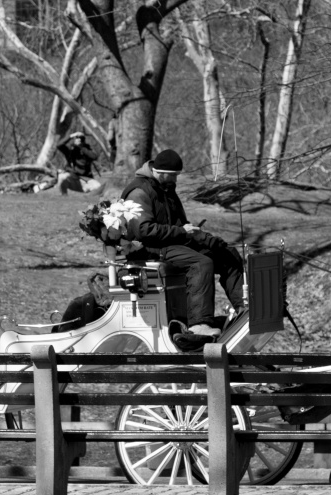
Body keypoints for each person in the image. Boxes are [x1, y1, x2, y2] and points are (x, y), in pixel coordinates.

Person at [117, 148, 243, 341]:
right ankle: (199, 324)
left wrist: (207, 239)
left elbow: (180, 225)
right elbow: (144, 231)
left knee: (227, 254)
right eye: (173, 175)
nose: (176, 180)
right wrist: (182, 232)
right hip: (148, 248)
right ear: (159, 171)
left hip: (170, 243)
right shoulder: (139, 192)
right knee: (201, 263)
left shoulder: (166, 188)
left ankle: (243, 308)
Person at [54, 130, 100, 194]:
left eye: (80, 138)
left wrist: (81, 147)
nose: (78, 140)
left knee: (98, 186)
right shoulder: (70, 151)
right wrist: (71, 136)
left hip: (86, 179)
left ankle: (85, 190)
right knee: (62, 177)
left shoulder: (86, 150)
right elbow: (59, 145)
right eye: (76, 138)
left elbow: (94, 156)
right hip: (73, 178)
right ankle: (63, 196)